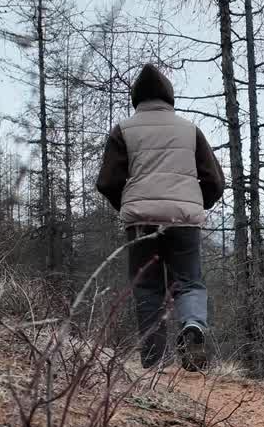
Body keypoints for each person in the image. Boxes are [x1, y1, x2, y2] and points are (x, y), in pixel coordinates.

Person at [95, 64, 225, 372]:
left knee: (147, 288)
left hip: (141, 224)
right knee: (189, 282)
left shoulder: (123, 130)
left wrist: (128, 205)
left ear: (136, 98)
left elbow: (107, 182)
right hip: (184, 222)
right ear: (169, 97)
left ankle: (154, 363)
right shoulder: (189, 130)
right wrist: (195, 204)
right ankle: (192, 326)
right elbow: (215, 181)